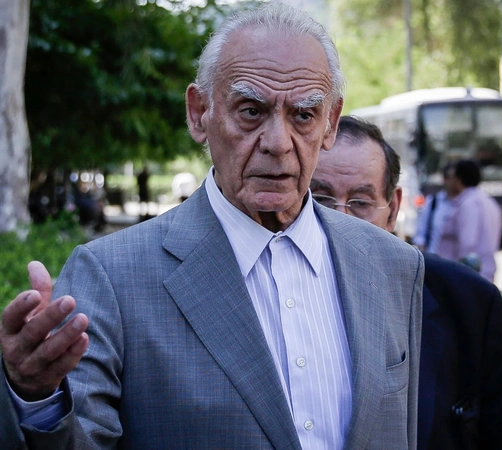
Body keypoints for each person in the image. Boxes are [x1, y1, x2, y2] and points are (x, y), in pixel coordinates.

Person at [0, 5, 423, 450]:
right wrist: (37, 397)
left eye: (303, 115)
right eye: (251, 111)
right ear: (199, 112)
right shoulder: (112, 277)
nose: (278, 143)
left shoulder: (394, 265)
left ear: (331, 123)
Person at [311, 115, 502, 450]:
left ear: (393, 209)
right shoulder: (266, 294)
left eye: (361, 203)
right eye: (320, 200)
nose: (340, 219)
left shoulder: (469, 304)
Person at [436, 159, 502, 282]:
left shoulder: (467, 205)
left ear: (458, 180)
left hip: (470, 277)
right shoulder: (489, 201)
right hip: (485, 274)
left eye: (453, 177)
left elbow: (467, 245)